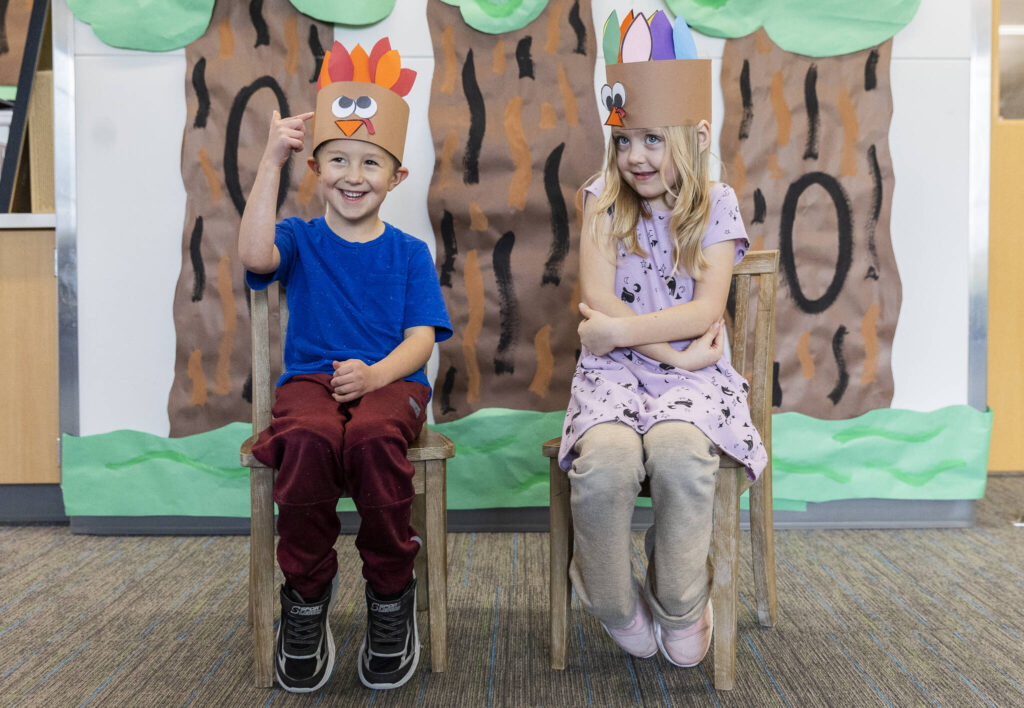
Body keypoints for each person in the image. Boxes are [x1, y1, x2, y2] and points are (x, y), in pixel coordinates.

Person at [238, 38, 451, 693]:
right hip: (311, 382)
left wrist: (380, 376)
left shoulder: (411, 253)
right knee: (305, 437)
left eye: (370, 162)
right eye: (337, 160)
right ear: (316, 170)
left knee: (371, 437)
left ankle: (391, 595)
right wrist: (272, 160)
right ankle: (306, 596)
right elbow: (254, 256)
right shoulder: (300, 238)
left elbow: (422, 341)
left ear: (397, 178)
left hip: (393, 382)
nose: (353, 176)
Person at [558, 10, 768, 668]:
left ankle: (680, 601)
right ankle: (612, 600)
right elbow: (597, 303)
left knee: (680, 456)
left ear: (696, 134)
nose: (635, 157)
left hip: (695, 380)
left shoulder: (717, 203)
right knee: (607, 465)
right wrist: (664, 348)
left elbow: (703, 306)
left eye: (653, 139)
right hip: (615, 375)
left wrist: (625, 331)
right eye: (624, 139)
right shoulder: (602, 197)